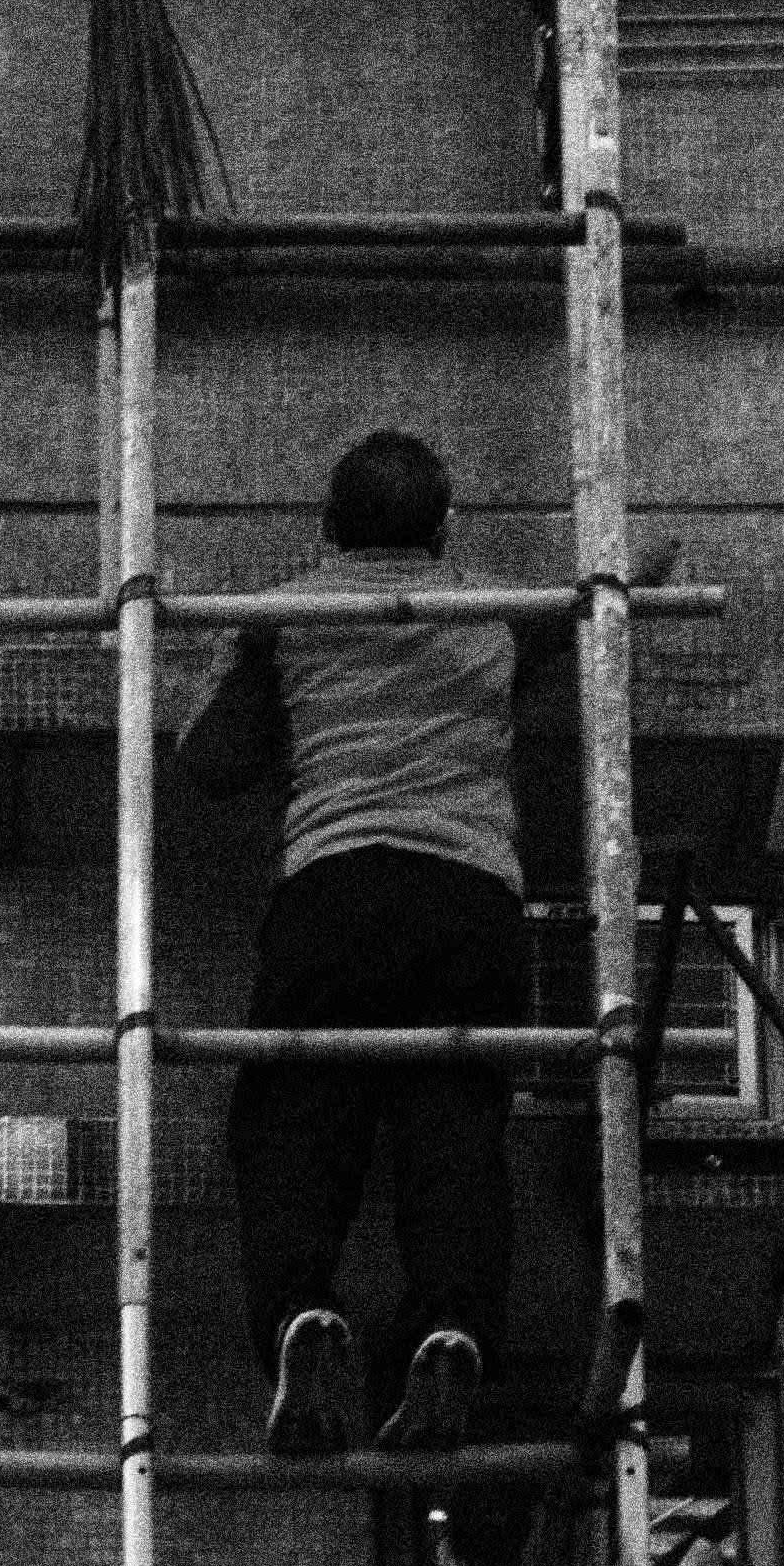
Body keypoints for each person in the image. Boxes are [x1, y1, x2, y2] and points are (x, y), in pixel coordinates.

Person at [179, 427, 582, 1454]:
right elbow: (587, 606)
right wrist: (622, 582)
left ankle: (298, 1321)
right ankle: (449, 1325)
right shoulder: (490, 610)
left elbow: (214, 763)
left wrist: (241, 646)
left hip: (338, 893)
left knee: (292, 1125)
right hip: (472, 904)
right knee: (455, 1133)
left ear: (325, 529)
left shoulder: (284, 614)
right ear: (446, 532)